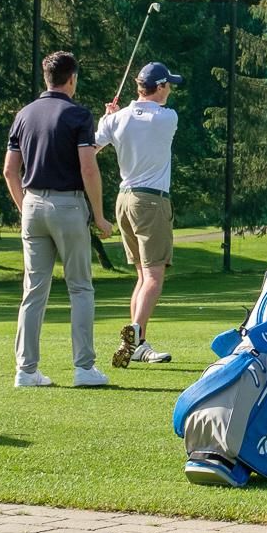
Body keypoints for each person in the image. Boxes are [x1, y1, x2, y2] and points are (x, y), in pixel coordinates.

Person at [3, 51, 114, 388]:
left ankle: (26, 371)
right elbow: (87, 166)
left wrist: (26, 209)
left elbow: (10, 170)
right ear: (72, 79)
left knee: (33, 292)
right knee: (80, 287)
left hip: (33, 204)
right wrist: (99, 216)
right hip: (68, 207)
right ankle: (83, 368)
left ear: (47, 77)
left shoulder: (24, 115)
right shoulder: (78, 114)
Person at [97, 61, 184, 368]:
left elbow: (93, 147)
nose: (170, 89)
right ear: (159, 87)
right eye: (168, 85)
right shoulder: (166, 117)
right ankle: (134, 338)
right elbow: (147, 118)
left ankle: (138, 341)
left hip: (124, 200)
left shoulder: (116, 119)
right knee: (155, 277)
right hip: (150, 201)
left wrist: (109, 118)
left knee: (142, 276)